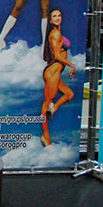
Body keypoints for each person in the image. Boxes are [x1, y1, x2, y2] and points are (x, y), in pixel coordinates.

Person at [40, 8, 76, 146]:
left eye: (59, 15)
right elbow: (56, 55)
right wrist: (71, 64)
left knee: (69, 94)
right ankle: (45, 136)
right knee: (46, 103)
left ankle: (53, 108)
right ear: (50, 20)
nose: (57, 18)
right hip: (53, 72)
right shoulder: (55, 34)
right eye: (54, 16)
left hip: (55, 73)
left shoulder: (58, 33)